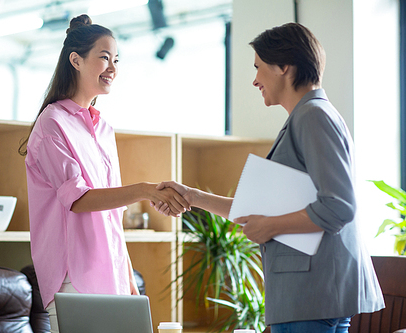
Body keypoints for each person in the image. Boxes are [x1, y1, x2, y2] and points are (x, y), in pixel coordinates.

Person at [155, 23, 384, 333]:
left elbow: (339, 207)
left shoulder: (314, 116)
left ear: (283, 67)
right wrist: (193, 197)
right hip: (306, 299)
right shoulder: (306, 117)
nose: (255, 80)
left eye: (258, 67)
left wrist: (271, 226)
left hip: (313, 298)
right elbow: (258, 211)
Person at [19, 14, 189, 332]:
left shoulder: (104, 129)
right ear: (76, 60)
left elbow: (112, 218)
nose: (112, 68)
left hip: (111, 274)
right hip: (73, 277)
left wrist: (127, 276)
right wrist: (145, 189)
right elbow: (79, 199)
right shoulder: (52, 123)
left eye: (116, 60)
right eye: (104, 57)